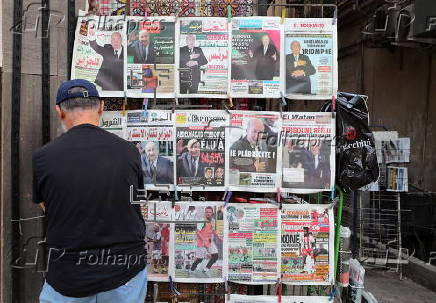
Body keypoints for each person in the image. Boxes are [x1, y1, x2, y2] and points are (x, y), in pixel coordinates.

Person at [33, 79, 147, 302]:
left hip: (67, 276)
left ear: (59, 111)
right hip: (124, 272)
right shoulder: (129, 152)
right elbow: (136, 201)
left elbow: (45, 205)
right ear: (101, 107)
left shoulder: (43, 157)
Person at [190, 207, 220, 275]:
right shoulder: (202, 221)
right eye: (207, 212)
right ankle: (192, 269)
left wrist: (219, 237)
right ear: (205, 213)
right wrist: (204, 240)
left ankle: (206, 269)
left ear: (212, 213)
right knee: (200, 259)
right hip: (201, 242)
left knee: (215, 256)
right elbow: (197, 232)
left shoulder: (213, 221)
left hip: (209, 241)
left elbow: (213, 230)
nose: (208, 213)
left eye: (209, 212)